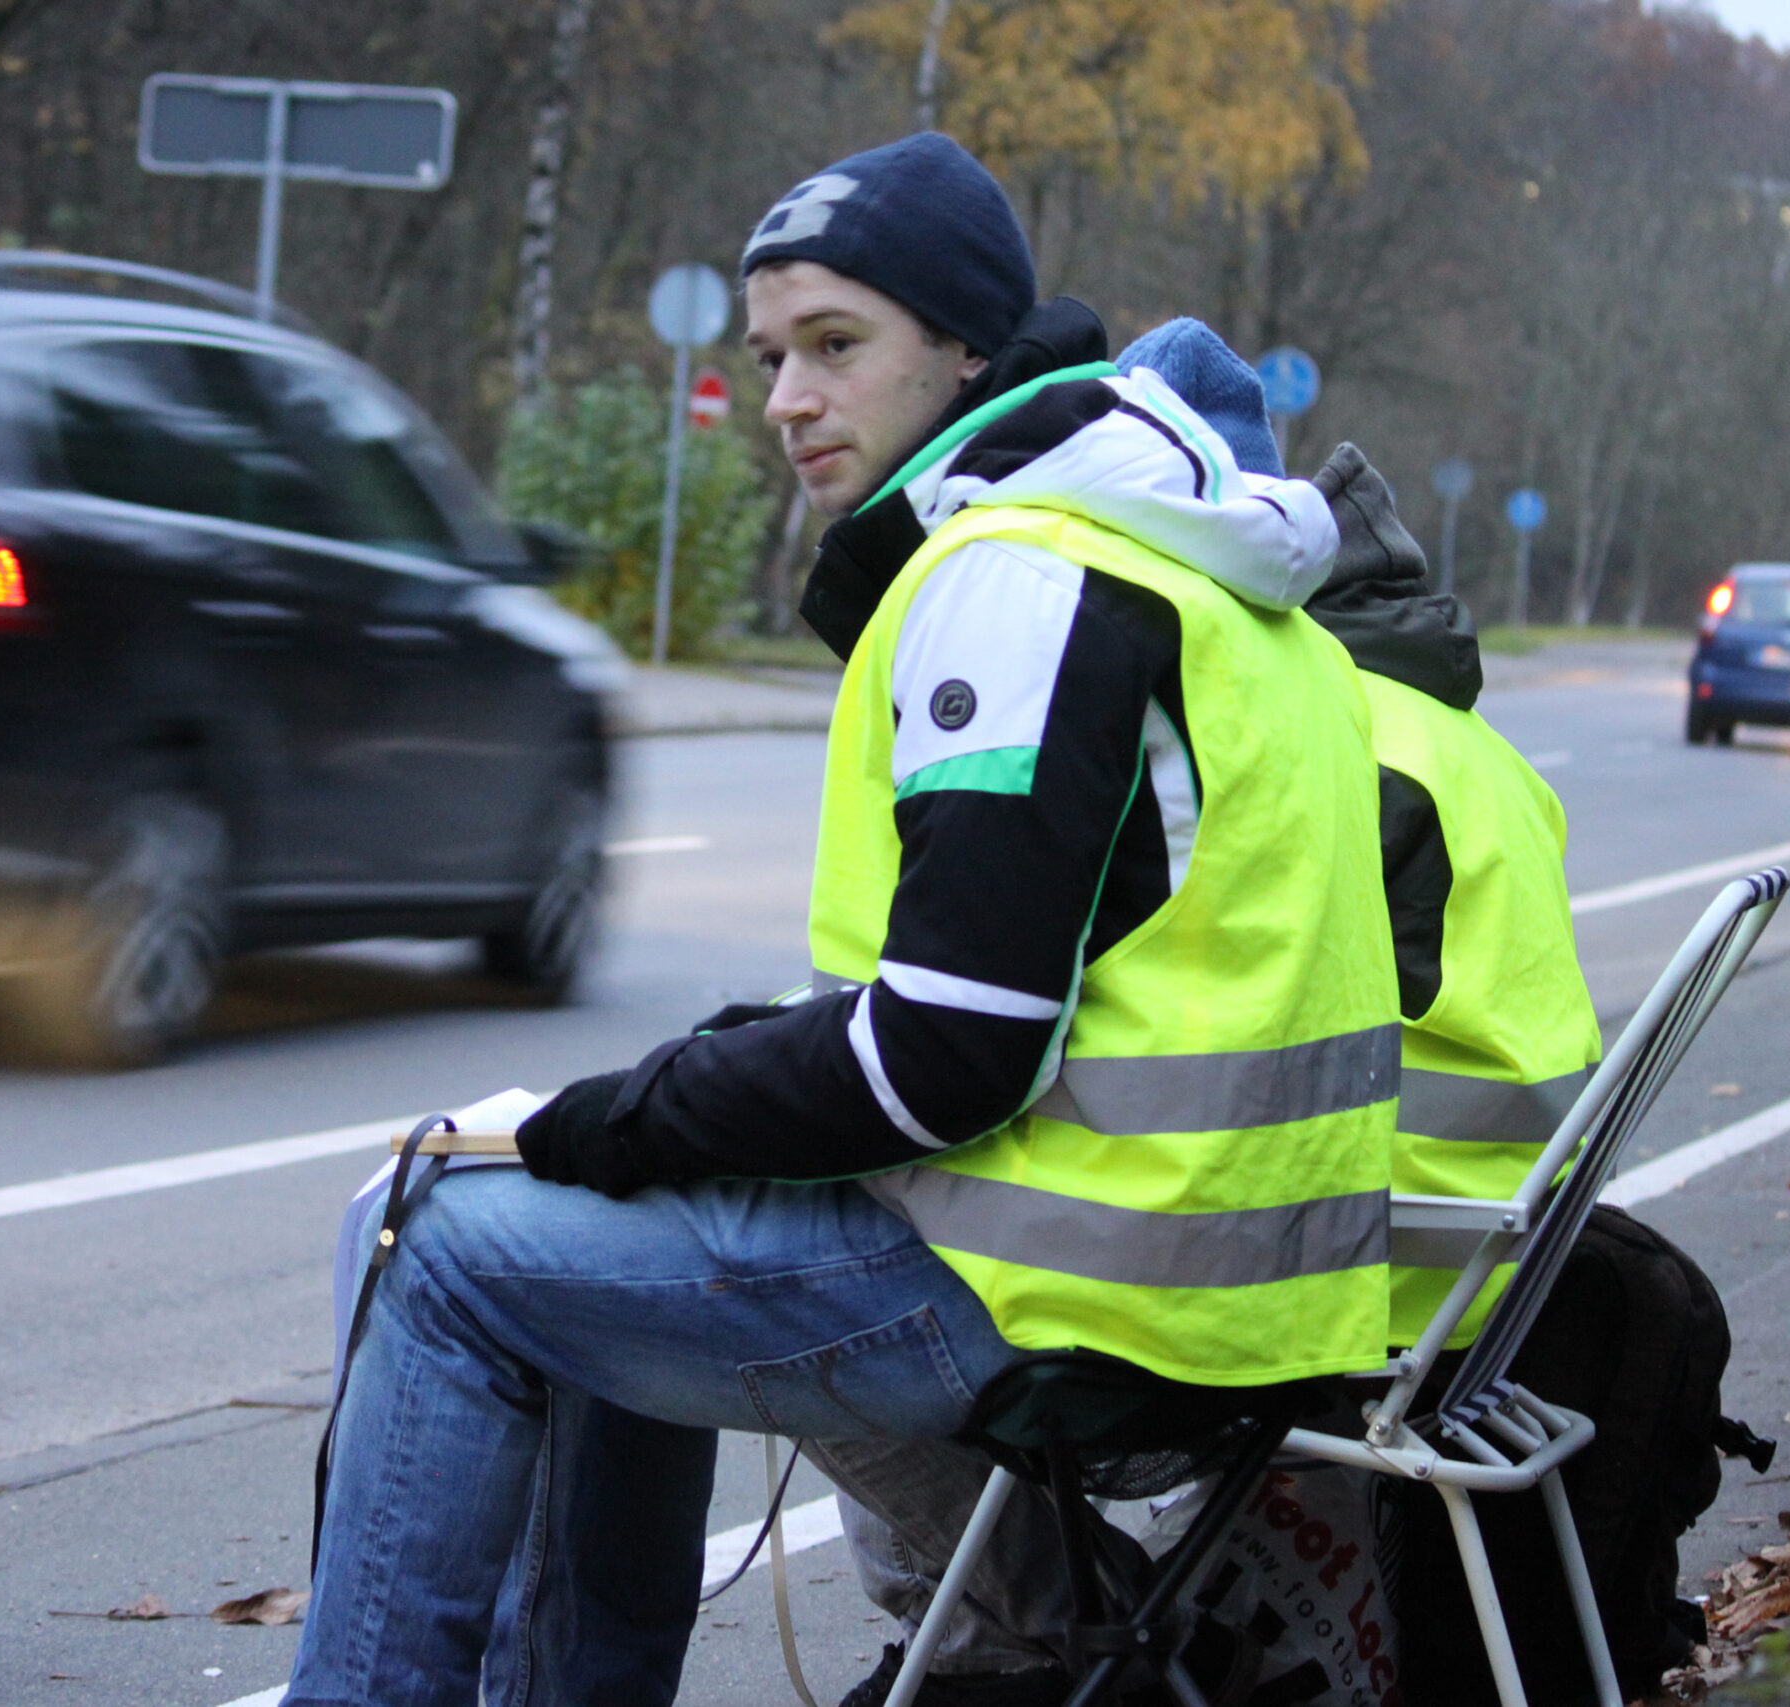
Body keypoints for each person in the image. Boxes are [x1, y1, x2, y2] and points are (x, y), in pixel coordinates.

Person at [285, 135, 1399, 1707]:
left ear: (965, 349)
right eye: (769, 359)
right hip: (1244, 1295)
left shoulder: (1017, 580)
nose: (789, 400)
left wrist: (645, 1113)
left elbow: (952, 1057)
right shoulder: (1210, 577)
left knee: (433, 1240)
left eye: (836, 345)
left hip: (1060, 1296)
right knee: (585, 1217)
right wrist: (678, 1113)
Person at [822, 321, 1603, 1706]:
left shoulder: (1289, 730)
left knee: (848, 1238)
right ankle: (1057, 1639)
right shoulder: (1453, 738)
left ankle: (1024, 1645)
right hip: (1483, 1258)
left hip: (1347, 1261)